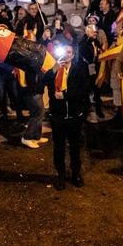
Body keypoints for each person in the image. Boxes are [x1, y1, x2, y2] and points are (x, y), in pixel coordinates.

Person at [45, 40, 88, 190]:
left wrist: (66, 96)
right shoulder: (55, 68)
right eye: (64, 52)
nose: (67, 55)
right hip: (58, 116)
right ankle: (61, 175)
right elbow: (42, 83)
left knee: (75, 147)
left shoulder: (79, 69)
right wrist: (53, 71)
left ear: (73, 55)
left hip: (74, 116)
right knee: (59, 147)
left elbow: (83, 91)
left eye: (69, 52)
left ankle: (76, 174)